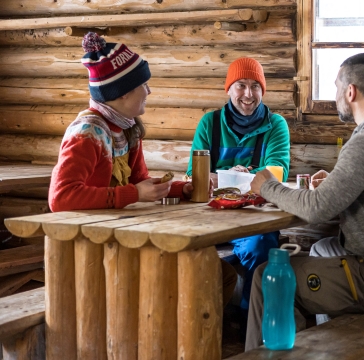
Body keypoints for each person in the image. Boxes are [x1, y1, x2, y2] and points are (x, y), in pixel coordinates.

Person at [245, 53, 364, 351]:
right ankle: (325, 348)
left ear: (351, 91)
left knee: (267, 277)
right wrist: (337, 181)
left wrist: (267, 186)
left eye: (337, 86)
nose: (336, 94)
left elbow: (316, 208)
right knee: (322, 251)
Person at [48, 32, 236, 305]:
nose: (149, 91)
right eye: (143, 85)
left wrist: (181, 189)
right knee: (207, 275)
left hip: (124, 238)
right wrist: (133, 194)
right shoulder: (87, 132)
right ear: (122, 92)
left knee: (220, 272)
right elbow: (60, 198)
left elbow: (139, 183)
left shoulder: (127, 128)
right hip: (93, 249)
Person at [185, 57, 291, 312]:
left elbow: (278, 172)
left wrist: (225, 176)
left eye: (255, 86)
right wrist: (236, 175)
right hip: (210, 218)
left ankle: (250, 329)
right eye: (241, 85)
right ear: (229, 89)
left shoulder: (275, 125)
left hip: (255, 219)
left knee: (261, 248)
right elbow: (194, 175)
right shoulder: (209, 124)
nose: (248, 94)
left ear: (262, 91)